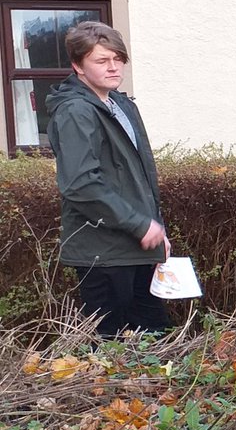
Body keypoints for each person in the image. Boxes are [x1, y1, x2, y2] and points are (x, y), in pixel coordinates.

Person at [46, 21, 170, 336]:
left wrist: (155, 232)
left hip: (135, 248)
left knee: (154, 341)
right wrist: (140, 224)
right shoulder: (76, 111)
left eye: (118, 59)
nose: (114, 67)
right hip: (102, 255)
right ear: (78, 66)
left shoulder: (120, 104)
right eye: (101, 61)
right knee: (111, 350)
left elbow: (137, 178)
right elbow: (80, 184)